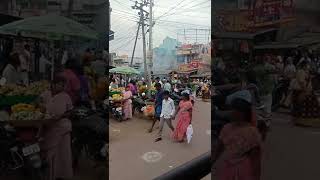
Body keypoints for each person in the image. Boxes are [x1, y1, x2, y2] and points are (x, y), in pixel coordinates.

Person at [213, 98, 262, 180]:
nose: (232, 113)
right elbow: (219, 148)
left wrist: (256, 176)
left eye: (235, 110)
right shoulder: (227, 128)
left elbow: (255, 158)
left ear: (243, 114)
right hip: (226, 167)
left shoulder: (252, 132)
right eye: (232, 110)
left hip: (243, 170)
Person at [39, 76, 73, 180]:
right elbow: (37, 101)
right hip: (49, 127)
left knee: (63, 152)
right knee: (50, 152)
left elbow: (70, 111)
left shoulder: (66, 96)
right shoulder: (46, 94)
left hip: (62, 127)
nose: (62, 86)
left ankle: (62, 174)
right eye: (60, 84)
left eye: (63, 84)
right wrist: (40, 106)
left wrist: (61, 116)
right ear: (53, 84)